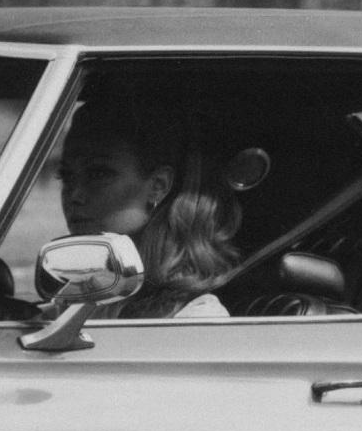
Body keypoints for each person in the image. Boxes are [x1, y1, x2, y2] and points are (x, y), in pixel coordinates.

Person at [53, 104, 246, 318]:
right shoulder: (86, 294)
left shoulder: (196, 318)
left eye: (98, 173)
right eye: (66, 176)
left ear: (158, 185)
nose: (75, 195)